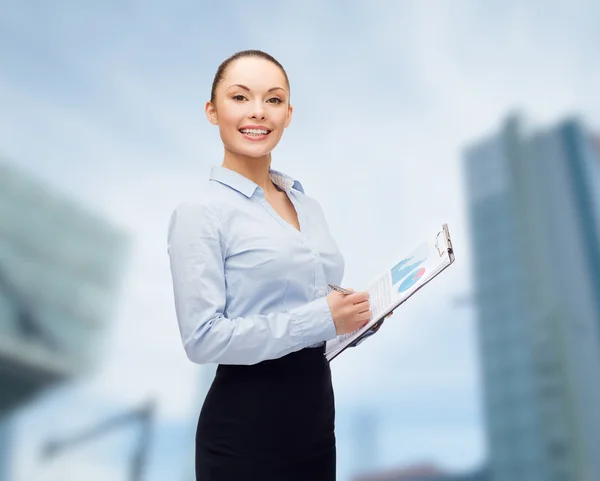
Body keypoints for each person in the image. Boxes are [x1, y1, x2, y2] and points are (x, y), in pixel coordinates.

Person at [167, 49, 389, 481]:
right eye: (239, 97)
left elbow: (309, 303)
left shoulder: (307, 204)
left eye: (272, 99)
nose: (257, 112)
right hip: (245, 430)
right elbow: (203, 339)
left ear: (288, 114)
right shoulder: (200, 212)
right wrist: (322, 316)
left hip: (316, 420)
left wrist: (356, 315)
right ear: (213, 112)